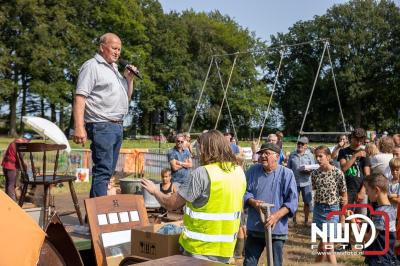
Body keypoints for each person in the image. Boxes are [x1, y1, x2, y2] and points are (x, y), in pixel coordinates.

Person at [141, 129, 246, 263]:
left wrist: (154, 191)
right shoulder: (238, 171)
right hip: (225, 250)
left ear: (206, 148)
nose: (198, 152)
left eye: (200, 147)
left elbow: (172, 204)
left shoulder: (202, 173)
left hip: (199, 250)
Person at [72, 33, 136, 198]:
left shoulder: (114, 69)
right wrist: (79, 126)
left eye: (119, 50)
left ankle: (93, 216)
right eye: (114, 48)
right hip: (102, 125)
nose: (117, 53)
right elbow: (80, 97)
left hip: (117, 125)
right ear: (102, 47)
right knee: (103, 170)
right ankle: (99, 214)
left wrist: (129, 80)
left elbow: (126, 98)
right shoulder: (92, 66)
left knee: (106, 172)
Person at [243, 143, 298, 266]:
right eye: (261, 153)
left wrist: (275, 216)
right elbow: (244, 191)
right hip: (255, 228)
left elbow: (292, 201)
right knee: (249, 262)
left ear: (277, 156)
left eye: (266, 153)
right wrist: (253, 202)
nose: (262, 156)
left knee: (275, 263)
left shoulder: (287, 173)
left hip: (276, 230)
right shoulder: (252, 171)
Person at [348, 173, 397, 265]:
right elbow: (383, 229)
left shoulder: (380, 213)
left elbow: (367, 238)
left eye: (367, 190)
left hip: (379, 261)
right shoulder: (390, 210)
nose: (366, 193)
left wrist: (353, 222)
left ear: (376, 190)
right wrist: (364, 221)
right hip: (387, 258)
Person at [311, 146, 347, 264]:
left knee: (328, 245)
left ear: (328, 157)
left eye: (320, 156)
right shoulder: (315, 173)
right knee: (322, 245)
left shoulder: (338, 173)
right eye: (316, 156)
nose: (318, 159)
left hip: (333, 210)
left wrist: (342, 218)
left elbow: (344, 195)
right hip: (318, 210)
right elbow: (315, 189)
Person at [338, 128, 371, 214]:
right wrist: (355, 156)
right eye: (357, 140)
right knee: (346, 215)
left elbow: (367, 174)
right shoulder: (343, 151)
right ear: (351, 138)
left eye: (361, 140)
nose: (359, 142)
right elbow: (344, 168)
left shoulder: (364, 153)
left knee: (361, 218)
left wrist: (363, 191)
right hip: (347, 189)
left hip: (361, 188)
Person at [287, 136, 315, 225]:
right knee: (294, 201)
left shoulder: (310, 155)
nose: (299, 145)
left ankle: (306, 220)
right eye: (298, 143)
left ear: (306, 145)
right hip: (295, 182)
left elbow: (314, 167)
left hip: (306, 182)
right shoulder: (292, 154)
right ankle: (293, 220)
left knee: (307, 202)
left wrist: (309, 170)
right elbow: (288, 168)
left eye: (302, 144)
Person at [1, 133, 33, 201]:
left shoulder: (14, 142)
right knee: (11, 185)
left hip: (6, 165)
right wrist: (26, 166)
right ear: (28, 140)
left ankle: (7, 201)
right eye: (28, 141)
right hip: (11, 167)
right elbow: (19, 158)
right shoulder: (20, 145)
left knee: (8, 184)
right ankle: (12, 202)